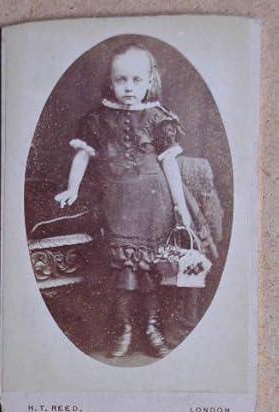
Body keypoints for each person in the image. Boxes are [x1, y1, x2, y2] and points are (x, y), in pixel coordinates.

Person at [54, 43, 191, 358]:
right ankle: (124, 326)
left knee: (150, 269)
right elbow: (82, 156)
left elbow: (169, 163)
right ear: (111, 82)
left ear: (149, 81)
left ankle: (152, 326)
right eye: (121, 80)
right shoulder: (97, 119)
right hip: (117, 203)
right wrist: (72, 189)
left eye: (136, 80)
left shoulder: (159, 118)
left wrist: (180, 204)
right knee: (123, 269)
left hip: (154, 203)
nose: (128, 87)